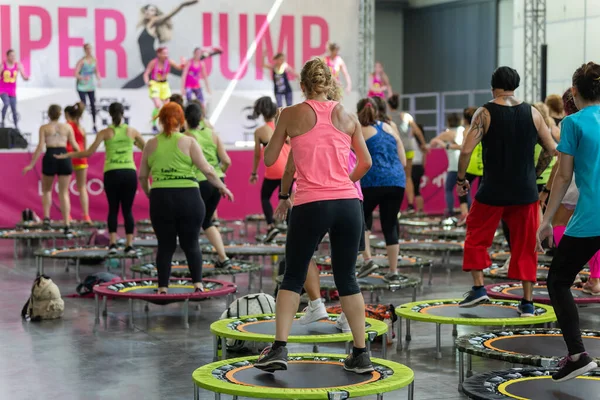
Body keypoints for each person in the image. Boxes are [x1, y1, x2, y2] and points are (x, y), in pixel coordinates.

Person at [254, 57, 372, 374]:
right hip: (348, 203)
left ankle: (279, 348)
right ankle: (360, 353)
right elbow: (365, 164)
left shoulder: (291, 114)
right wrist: (343, 184)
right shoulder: (347, 115)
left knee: (293, 275)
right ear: (329, 83)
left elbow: (268, 159)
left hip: (310, 203)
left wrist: (278, 132)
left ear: (303, 85)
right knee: (347, 277)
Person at [456, 66, 556, 316]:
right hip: (526, 192)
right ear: (516, 85)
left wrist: (461, 180)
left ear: (493, 86)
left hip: (492, 191)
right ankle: (527, 302)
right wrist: (535, 172)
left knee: (476, 237)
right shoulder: (533, 112)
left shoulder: (484, 112)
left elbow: (467, 150)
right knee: (525, 246)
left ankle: (479, 289)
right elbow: (552, 148)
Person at [537, 62, 600, 382]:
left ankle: (578, 355)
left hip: (592, 217)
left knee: (558, 281)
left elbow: (562, 177)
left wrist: (546, 221)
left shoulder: (574, 123)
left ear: (574, 92)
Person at [138, 102, 233, 293]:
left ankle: (163, 287)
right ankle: (197, 284)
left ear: (160, 120)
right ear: (181, 120)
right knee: (191, 244)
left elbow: (142, 176)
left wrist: (150, 193)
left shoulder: (151, 143)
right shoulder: (189, 142)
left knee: (165, 245)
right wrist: (223, 187)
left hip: (160, 198)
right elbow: (208, 170)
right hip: (188, 198)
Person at [56, 103, 145, 253]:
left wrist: (68, 155)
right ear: (123, 114)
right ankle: (129, 245)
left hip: (112, 173)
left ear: (109, 115)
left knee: (113, 209)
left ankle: (112, 244)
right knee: (128, 210)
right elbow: (147, 148)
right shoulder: (132, 131)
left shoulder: (105, 133)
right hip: (129, 172)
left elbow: (87, 153)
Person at [355, 97, 406, 281]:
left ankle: (368, 259)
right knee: (390, 224)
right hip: (397, 180)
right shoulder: (389, 127)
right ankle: (393, 272)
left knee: (360, 217)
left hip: (373, 181)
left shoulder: (359, 129)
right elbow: (403, 159)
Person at [184, 102, 233, 268]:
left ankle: (193, 259)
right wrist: (219, 174)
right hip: (217, 181)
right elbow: (226, 160)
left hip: (200, 182)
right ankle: (223, 257)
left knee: (193, 220)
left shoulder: (187, 137)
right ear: (201, 117)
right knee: (206, 221)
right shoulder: (213, 134)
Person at [22, 105, 79, 233]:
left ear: (48, 114)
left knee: (47, 190)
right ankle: (66, 223)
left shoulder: (45, 128)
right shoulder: (67, 127)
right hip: (64, 156)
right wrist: (79, 154)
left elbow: (41, 146)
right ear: (60, 114)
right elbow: (75, 146)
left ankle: (47, 219)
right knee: (64, 192)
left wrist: (31, 164)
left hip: (50, 156)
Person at [123, 1, 199, 89]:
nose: (148, 12)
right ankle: (199, 60)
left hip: (153, 60)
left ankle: (200, 58)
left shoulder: (154, 23)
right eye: (147, 9)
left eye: (152, 10)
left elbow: (168, 15)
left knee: (130, 86)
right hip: (151, 62)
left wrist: (182, 5)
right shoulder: (147, 26)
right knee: (180, 72)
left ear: (155, 13)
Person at [249, 96, 292, 241]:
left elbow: (256, 156)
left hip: (273, 170)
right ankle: (289, 228)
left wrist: (254, 173)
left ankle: (271, 226)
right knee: (286, 198)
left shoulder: (260, 131)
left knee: (265, 196)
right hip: (289, 169)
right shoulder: (284, 126)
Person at [387, 94, 427, 214]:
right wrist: (424, 144)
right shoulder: (406, 116)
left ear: (389, 105)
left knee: (393, 176)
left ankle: (393, 205)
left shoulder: (387, 117)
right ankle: (410, 205)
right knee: (408, 177)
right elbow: (418, 131)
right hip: (408, 147)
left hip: (395, 147)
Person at [429, 113, 466, 219]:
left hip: (454, 166)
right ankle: (468, 212)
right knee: (465, 191)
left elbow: (432, 143)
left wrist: (440, 141)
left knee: (449, 189)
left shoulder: (448, 133)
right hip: (465, 165)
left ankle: (450, 212)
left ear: (448, 122)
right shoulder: (463, 131)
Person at [143, 47, 184, 133]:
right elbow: (146, 73)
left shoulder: (169, 62)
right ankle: (154, 125)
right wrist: (147, 83)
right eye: (164, 53)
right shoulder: (153, 62)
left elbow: (179, 68)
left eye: (167, 53)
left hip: (164, 85)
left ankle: (167, 125)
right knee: (157, 105)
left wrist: (183, 63)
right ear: (159, 54)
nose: (166, 55)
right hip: (155, 84)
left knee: (167, 106)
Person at [64, 102, 90, 223]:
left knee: (64, 190)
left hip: (68, 157)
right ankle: (86, 216)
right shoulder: (81, 127)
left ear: (67, 114)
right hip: (81, 157)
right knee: (82, 187)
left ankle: (67, 216)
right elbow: (85, 146)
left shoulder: (66, 126)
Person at [457, 107, 483, 213]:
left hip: (470, 165)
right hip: (482, 165)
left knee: (462, 190)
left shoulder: (467, 130)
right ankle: (480, 215)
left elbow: (464, 148)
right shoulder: (482, 128)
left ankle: (465, 214)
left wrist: (449, 146)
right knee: (481, 194)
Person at [74, 43, 101, 132]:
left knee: (93, 104)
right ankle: (78, 122)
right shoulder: (82, 61)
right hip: (82, 85)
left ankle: (94, 124)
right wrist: (83, 77)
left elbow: (96, 71)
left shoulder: (94, 60)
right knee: (83, 104)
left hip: (90, 85)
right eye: (87, 49)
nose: (89, 51)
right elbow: (76, 73)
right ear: (85, 50)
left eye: (90, 49)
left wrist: (98, 79)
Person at [0, 49, 29, 129]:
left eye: (14, 55)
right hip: (3, 89)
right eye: (11, 56)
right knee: (6, 103)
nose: (13, 57)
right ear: (7, 56)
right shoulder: (3, 65)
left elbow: (23, 75)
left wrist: (26, 78)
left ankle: (16, 126)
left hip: (12, 90)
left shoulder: (18, 65)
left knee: (14, 108)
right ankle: (2, 121)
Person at [408, 130, 427, 213]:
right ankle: (420, 209)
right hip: (419, 166)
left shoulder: (411, 141)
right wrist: (422, 168)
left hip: (413, 166)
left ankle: (412, 207)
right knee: (417, 189)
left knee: (414, 189)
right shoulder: (422, 144)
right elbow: (424, 158)